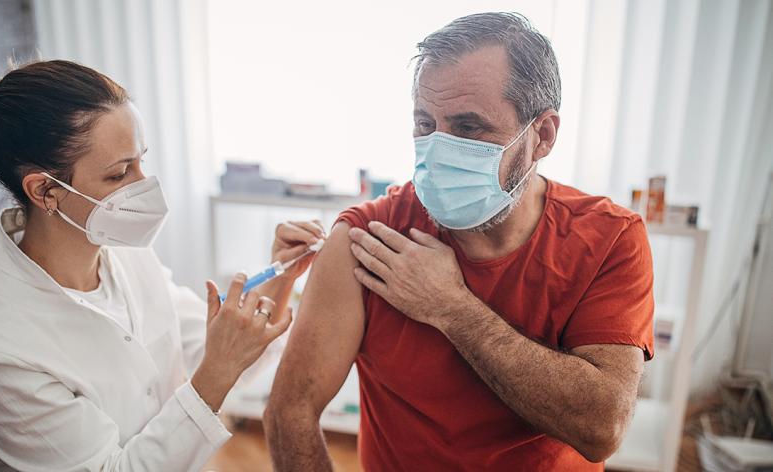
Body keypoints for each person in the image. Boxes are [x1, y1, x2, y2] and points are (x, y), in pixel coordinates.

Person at [265, 12, 654, 471]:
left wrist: (451, 308)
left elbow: (601, 427)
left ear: (543, 135)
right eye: (425, 124)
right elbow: (289, 412)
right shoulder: (368, 238)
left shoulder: (609, 239)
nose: (438, 148)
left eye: (469, 128)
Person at [0, 60, 324, 471]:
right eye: (120, 174)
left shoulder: (120, 247)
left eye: (140, 161)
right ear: (46, 190)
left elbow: (209, 347)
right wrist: (217, 370)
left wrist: (280, 277)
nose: (143, 187)